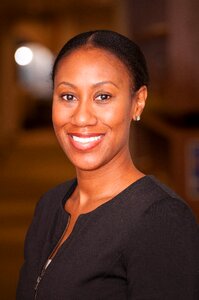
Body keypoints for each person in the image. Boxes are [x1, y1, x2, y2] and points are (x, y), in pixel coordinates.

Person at [17, 30, 199, 300]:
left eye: (102, 96)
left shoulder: (161, 220)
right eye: (68, 96)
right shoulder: (49, 205)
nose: (81, 118)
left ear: (137, 102)